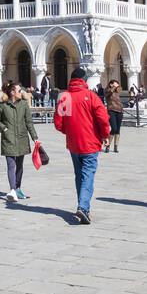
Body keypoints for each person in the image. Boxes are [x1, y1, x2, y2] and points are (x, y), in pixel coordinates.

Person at [54, 67, 110, 224]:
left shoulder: (65, 97)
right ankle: (83, 207)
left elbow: (58, 123)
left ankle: (83, 205)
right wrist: (105, 135)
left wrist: (70, 131)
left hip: (74, 144)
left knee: (79, 175)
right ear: (84, 80)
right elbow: (103, 119)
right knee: (88, 176)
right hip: (90, 143)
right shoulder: (91, 96)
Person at [0, 80, 38, 201]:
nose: (21, 92)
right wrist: (4, 128)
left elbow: (29, 122)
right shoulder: (3, 105)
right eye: (18, 90)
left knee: (20, 165)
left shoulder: (23, 104)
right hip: (9, 138)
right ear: (12, 92)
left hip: (22, 138)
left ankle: (18, 188)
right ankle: (12, 189)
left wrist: (35, 137)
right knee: (11, 165)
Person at [104, 80, 124, 154]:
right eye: (115, 83)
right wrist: (112, 87)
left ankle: (116, 146)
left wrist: (117, 86)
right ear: (111, 84)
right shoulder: (107, 90)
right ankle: (107, 145)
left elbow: (120, 89)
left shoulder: (117, 91)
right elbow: (107, 94)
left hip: (119, 110)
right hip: (111, 110)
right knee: (114, 128)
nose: (117, 85)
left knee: (118, 129)